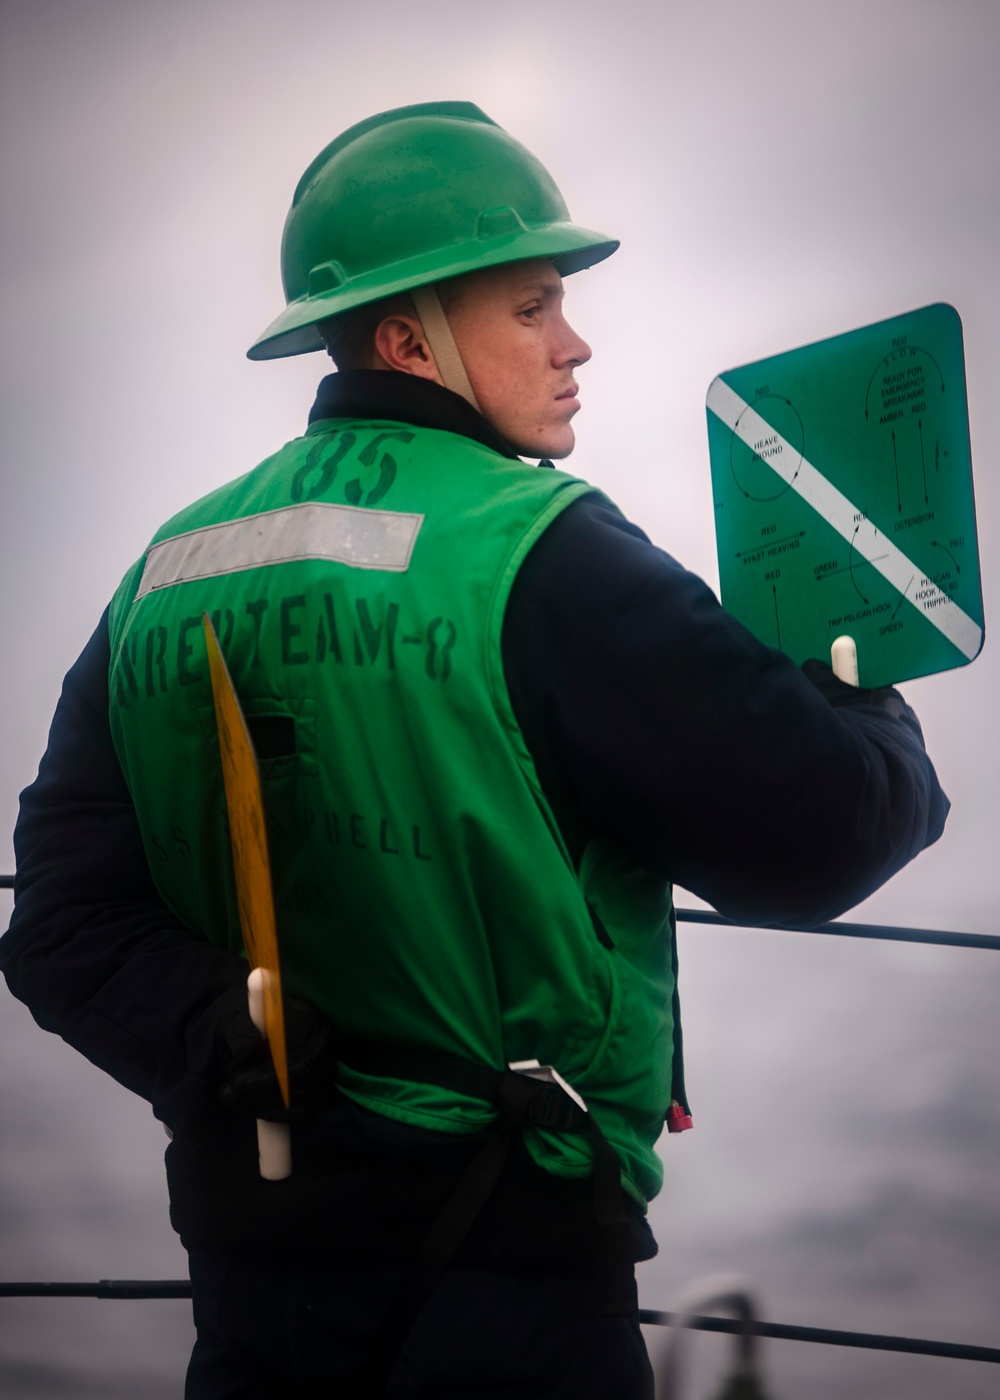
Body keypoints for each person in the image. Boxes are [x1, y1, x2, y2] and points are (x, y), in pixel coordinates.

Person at [0, 101, 949, 1399]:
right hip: (505, 1277)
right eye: (532, 308)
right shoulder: (539, 551)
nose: (577, 342)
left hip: (253, 1272)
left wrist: (223, 1038)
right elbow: (819, 839)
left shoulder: (169, 571)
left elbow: (58, 924)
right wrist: (868, 695)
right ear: (408, 335)